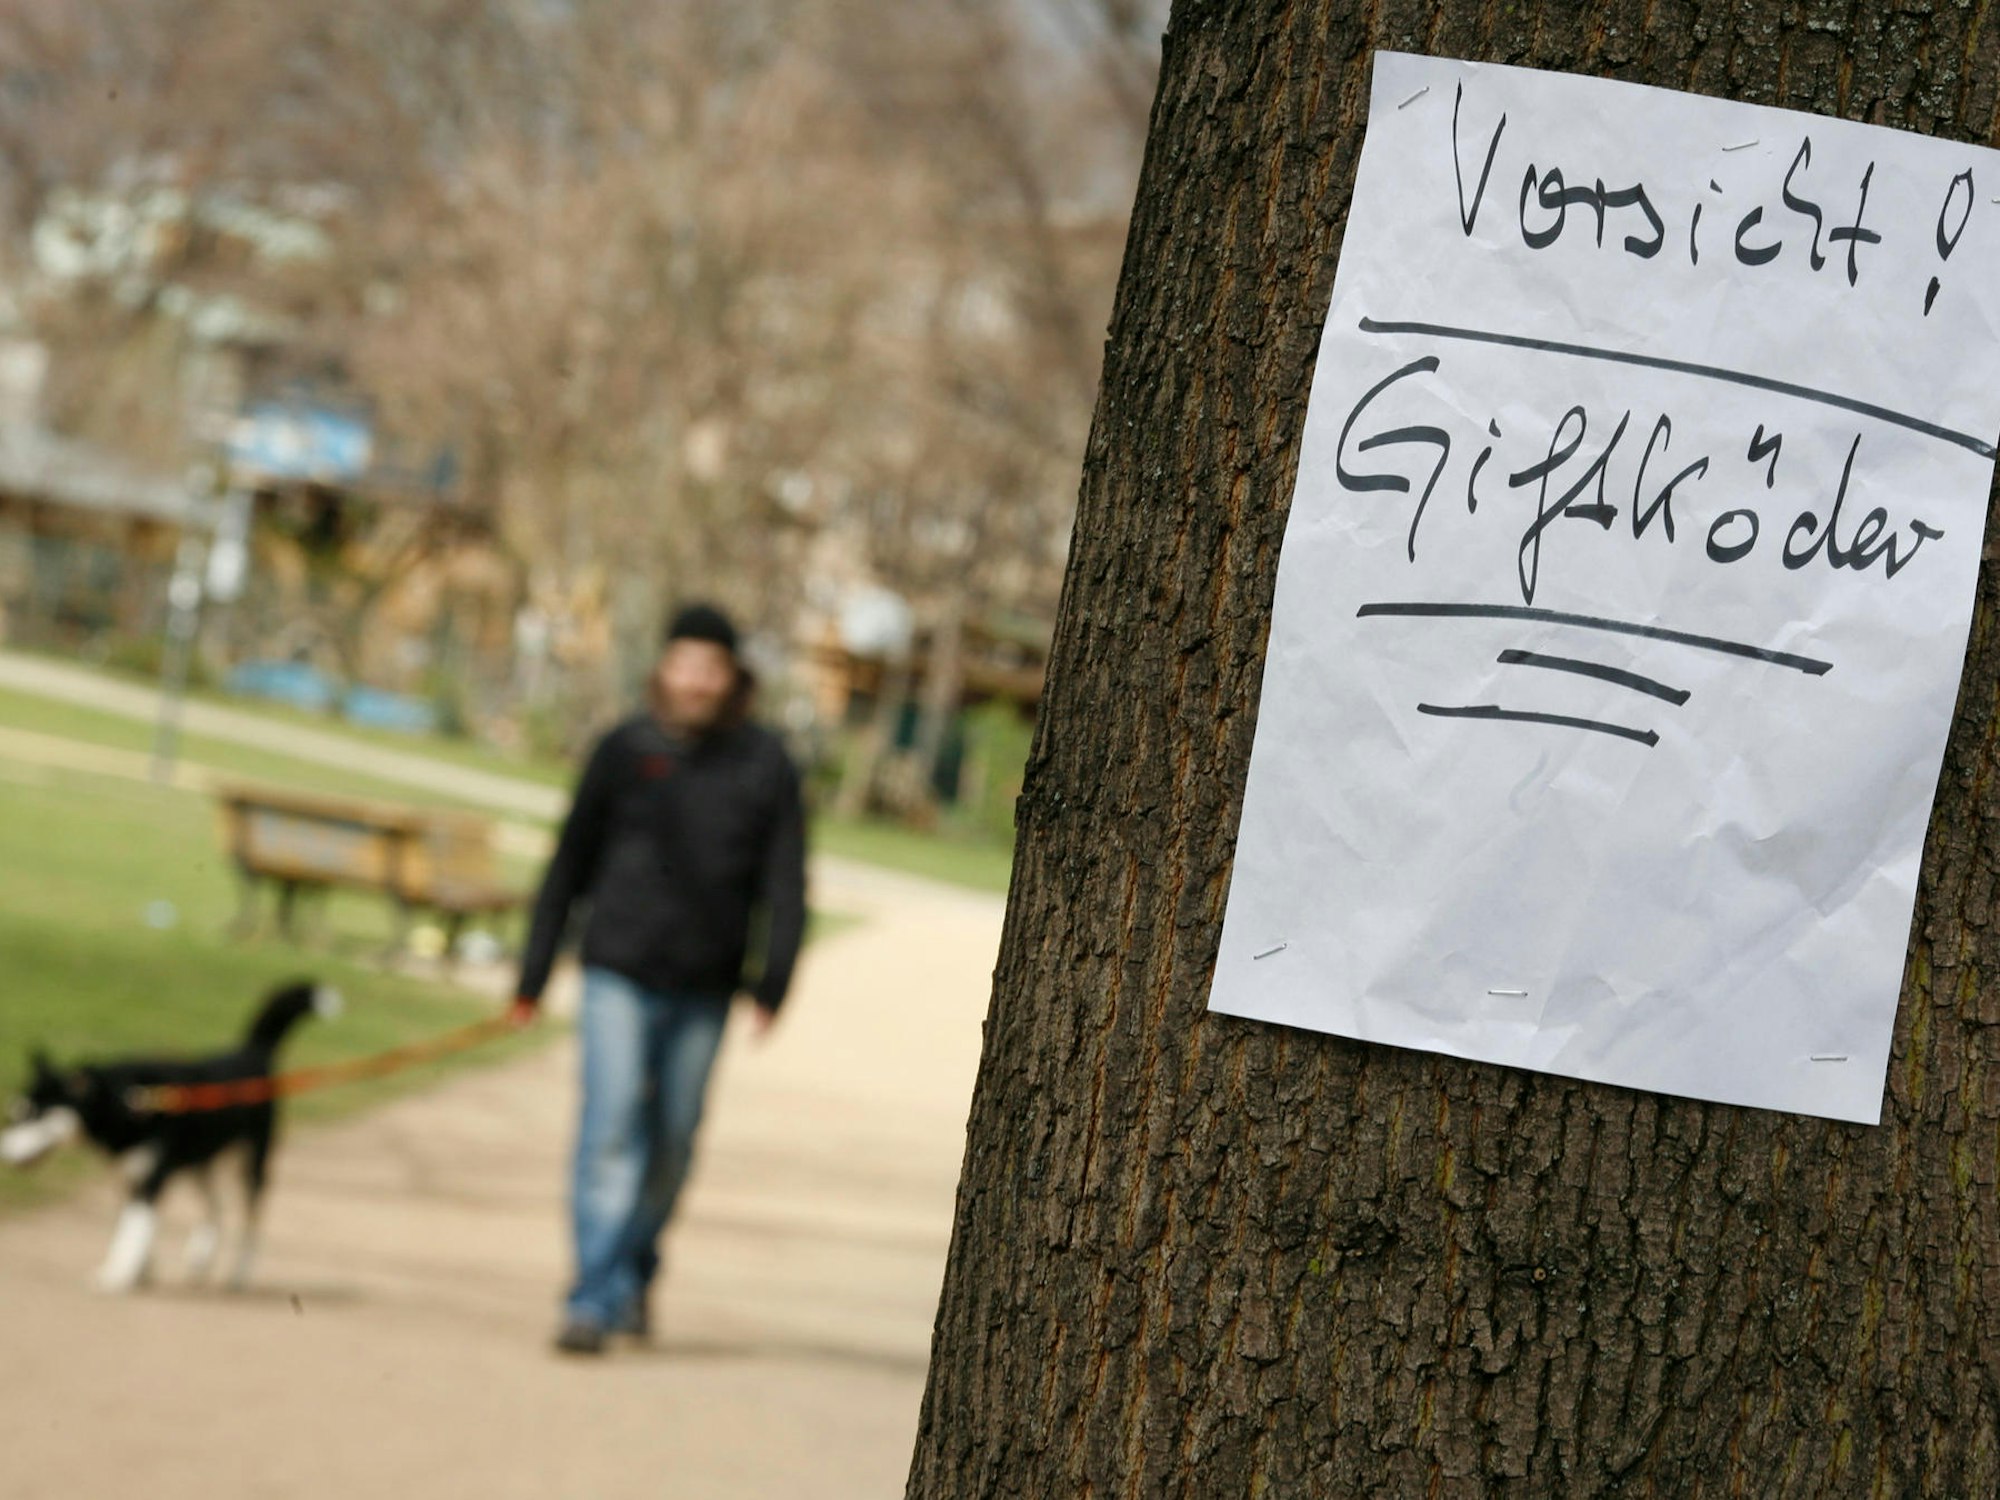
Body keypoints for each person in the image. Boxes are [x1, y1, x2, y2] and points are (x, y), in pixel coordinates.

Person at [511, 603, 807, 1355]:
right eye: (684, 663)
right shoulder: (623, 748)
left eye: (712, 668)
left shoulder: (764, 762)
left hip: (706, 983)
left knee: (671, 1142)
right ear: (663, 668)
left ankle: (634, 1267)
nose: (696, 681)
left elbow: (787, 878)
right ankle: (592, 1297)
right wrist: (534, 972)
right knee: (610, 1128)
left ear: (733, 678)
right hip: (616, 967)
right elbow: (568, 861)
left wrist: (773, 981)